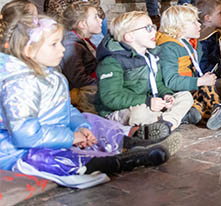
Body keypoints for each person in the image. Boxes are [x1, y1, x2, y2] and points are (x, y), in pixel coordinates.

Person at [0, 14, 170, 187]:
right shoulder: (17, 84)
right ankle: (117, 162)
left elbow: (67, 109)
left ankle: (129, 143)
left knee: (91, 120)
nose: (62, 49)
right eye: (53, 44)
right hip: (19, 150)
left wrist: (81, 127)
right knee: (43, 160)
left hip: (55, 134)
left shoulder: (50, 75)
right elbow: (25, 136)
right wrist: (71, 137)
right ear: (28, 51)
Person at [96, 11, 194, 132]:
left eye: (153, 27)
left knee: (185, 96)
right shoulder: (112, 61)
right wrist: (146, 101)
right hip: (119, 109)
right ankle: (168, 120)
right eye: (148, 28)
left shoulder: (151, 56)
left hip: (150, 103)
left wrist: (166, 95)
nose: (155, 32)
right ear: (129, 36)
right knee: (139, 113)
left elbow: (157, 84)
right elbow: (111, 97)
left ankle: (166, 124)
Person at [154, 4, 221, 129]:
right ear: (178, 28)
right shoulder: (168, 48)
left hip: (188, 88)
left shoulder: (192, 44)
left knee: (198, 109)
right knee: (205, 88)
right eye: (193, 22)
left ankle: (208, 114)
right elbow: (171, 81)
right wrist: (199, 81)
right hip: (172, 93)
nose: (199, 25)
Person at [61, 3, 102, 113]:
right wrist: (104, 84)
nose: (100, 20)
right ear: (82, 24)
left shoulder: (84, 40)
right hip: (84, 95)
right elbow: (78, 79)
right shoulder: (71, 45)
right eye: (95, 17)